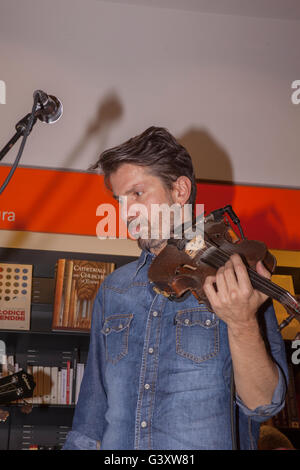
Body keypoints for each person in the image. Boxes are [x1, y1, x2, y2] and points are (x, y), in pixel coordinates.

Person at [63, 126, 288, 450]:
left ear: (180, 190)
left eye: (137, 194)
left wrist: (241, 323)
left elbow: (264, 403)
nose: (126, 212)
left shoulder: (238, 278)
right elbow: (89, 421)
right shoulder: (113, 290)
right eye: (120, 200)